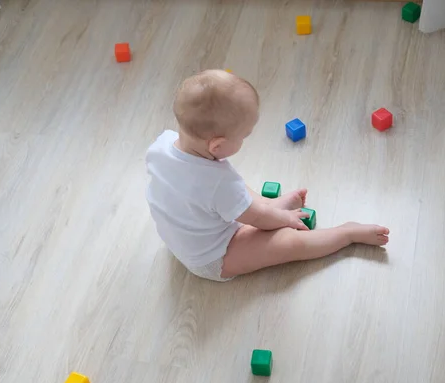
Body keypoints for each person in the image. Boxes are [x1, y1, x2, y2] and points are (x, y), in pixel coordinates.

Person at [146, 70, 389, 282]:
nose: (245, 140)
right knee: (288, 243)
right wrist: (283, 218)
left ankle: (272, 206)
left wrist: (268, 211)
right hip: (211, 257)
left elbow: (206, 193)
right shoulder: (219, 183)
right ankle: (347, 233)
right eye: (243, 137)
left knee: (237, 190)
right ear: (217, 147)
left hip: (182, 232)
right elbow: (256, 219)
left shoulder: (162, 143)